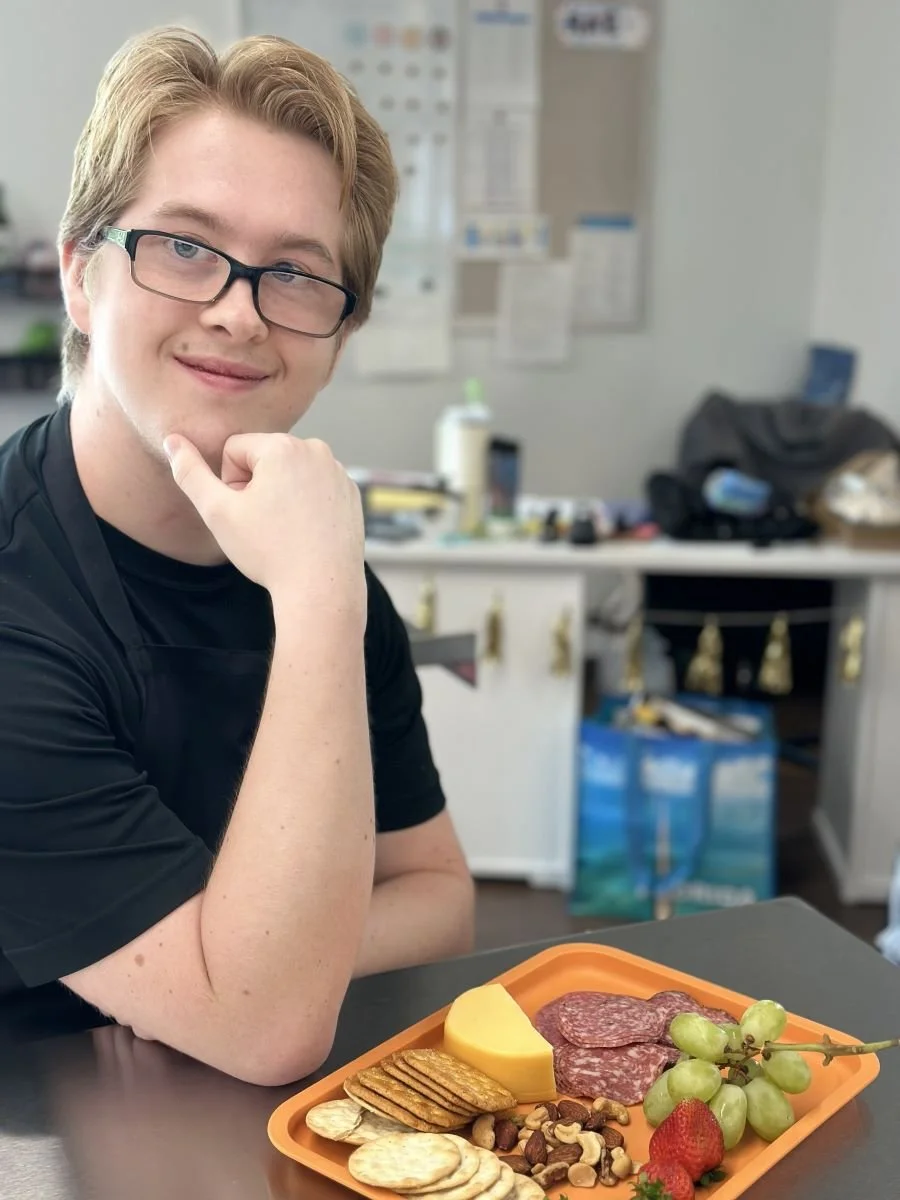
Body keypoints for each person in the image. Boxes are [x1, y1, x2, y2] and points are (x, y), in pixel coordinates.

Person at [0, 25, 475, 1084]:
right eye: (183, 246)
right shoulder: (21, 604)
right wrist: (247, 985)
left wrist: (252, 967)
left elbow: (438, 892)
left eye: (298, 276)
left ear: (338, 337)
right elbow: (267, 1030)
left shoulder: (317, 571)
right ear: (83, 278)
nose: (236, 310)